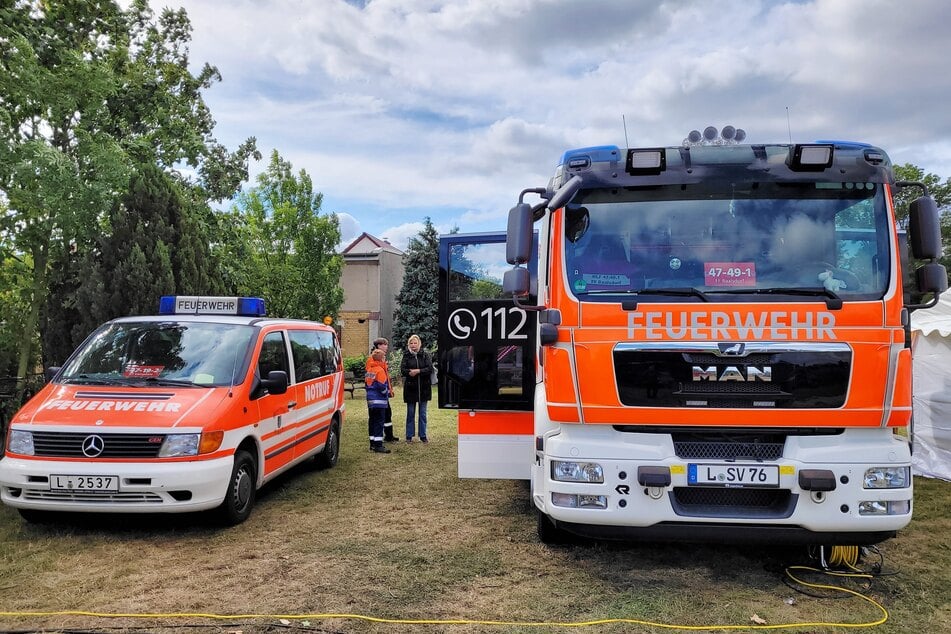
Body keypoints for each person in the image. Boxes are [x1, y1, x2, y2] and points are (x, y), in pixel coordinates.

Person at [400, 334, 433, 443]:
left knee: (422, 414)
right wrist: (410, 372)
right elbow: (403, 370)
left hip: (424, 389)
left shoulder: (425, 355)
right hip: (411, 389)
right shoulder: (406, 355)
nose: (413, 345)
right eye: (411, 343)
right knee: (410, 413)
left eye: (415, 343)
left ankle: (423, 435)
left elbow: (429, 369)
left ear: (419, 344)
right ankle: (409, 436)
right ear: (408, 344)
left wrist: (418, 371)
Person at [371, 337, 399, 442]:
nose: (386, 347)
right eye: (384, 345)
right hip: (378, 393)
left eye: (386, 344)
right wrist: (383, 390)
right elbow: (375, 377)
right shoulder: (374, 359)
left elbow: (385, 377)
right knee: (380, 415)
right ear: (379, 346)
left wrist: (390, 390)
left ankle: (389, 435)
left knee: (388, 413)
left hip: (383, 392)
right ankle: (379, 437)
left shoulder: (382, 358)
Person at [365, 348, 391, 453]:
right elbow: (382, 386)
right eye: (384, 358)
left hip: (370, 400)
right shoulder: (380, 370)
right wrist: (386, 393)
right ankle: (379, 445)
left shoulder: (369, 370)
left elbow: (367, 384)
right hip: (379, 401)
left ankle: (372, 443)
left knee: (372, 421)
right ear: (381, 359)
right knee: (379, 422)